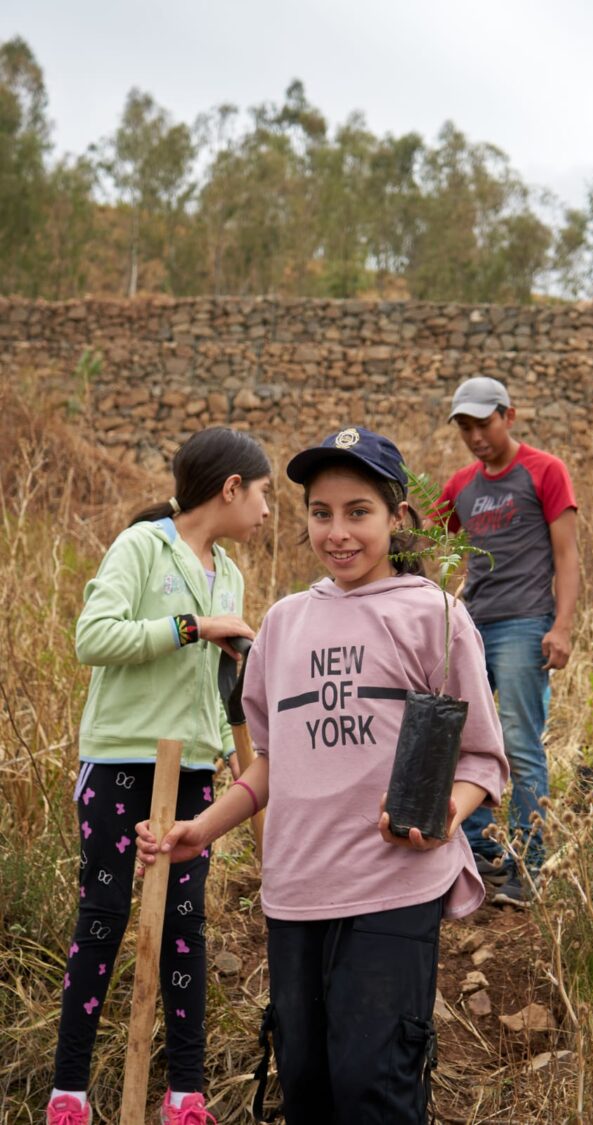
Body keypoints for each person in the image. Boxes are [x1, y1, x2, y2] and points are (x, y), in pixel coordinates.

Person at [136, 425, 508, 1125]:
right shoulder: (283, 622)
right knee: (306, 1082)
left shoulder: (437, 615)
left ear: (397, 517)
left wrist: (444, 814)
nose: (338, 531)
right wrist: (201, 829)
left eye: (358, 511)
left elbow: (481, 759)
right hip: (297, 889)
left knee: (375, 1083)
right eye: (321, 512)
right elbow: (273, 761)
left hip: (391, 885)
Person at [47, 427, 271, 1125]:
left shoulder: (228, 571)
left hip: (194, 768)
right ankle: (69, 1094)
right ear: (230, 488)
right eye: (262, 493)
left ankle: (186, 1095)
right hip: (120, 759)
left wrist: (231, 753)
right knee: (106, 916)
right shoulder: (142, 546)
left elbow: (215, 685)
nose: (267, 510)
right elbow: (94, 636)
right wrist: (194, 625)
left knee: (183, 924)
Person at [437, 376, 579, 908]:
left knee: (519, 744)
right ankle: (480, 852)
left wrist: (560, 626)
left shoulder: (544, 471)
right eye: (464, 427)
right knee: (459, 740)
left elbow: (567, 556)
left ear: (509, 416)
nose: (475, 436)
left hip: (524, 624)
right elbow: (430, 538)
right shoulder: (460, 486)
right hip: (470, 626)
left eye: (483, 423)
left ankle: (529, 863)